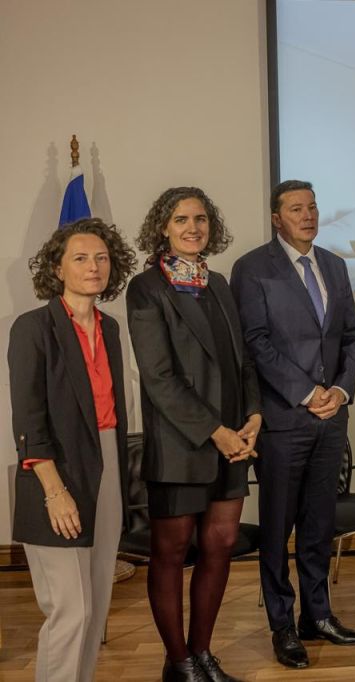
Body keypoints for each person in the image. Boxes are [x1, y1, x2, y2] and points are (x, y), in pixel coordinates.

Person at [231, 180, 355, 669]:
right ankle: (282, 626)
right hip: (285, 420)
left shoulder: (334, 264)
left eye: (312, 207)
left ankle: (319, 616)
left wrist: (342, 392)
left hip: (332, 419)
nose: (307, 215)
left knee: (319, 525)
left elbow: (353, 338)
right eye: (295, 208)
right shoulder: (252, 269)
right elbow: (257, 344)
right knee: (277, 529)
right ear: (276, 218)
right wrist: (308, 393)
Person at [127, 187, 261, 681]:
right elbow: (159, 377)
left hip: (234, 441)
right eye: (181, 219)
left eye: (200, 219)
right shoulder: (146, 288)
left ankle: (203, 653)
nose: (192, 227)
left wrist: (253, 416)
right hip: (183, 443)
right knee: (170, 552)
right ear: (163, 226)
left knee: (221, 544)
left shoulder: (219, 282)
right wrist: (215, 431)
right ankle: (178, 661)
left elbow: (243, 360)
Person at [9, 218, 135, 682]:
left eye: (101, 257)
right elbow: (29, 419)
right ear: (58, 269)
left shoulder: (112, 329)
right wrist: (54, 491)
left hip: (107, 466)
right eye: (80, 258)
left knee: (95, 607)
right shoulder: (33, 328)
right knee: (71, 611)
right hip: (56, 473)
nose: (93, 266)